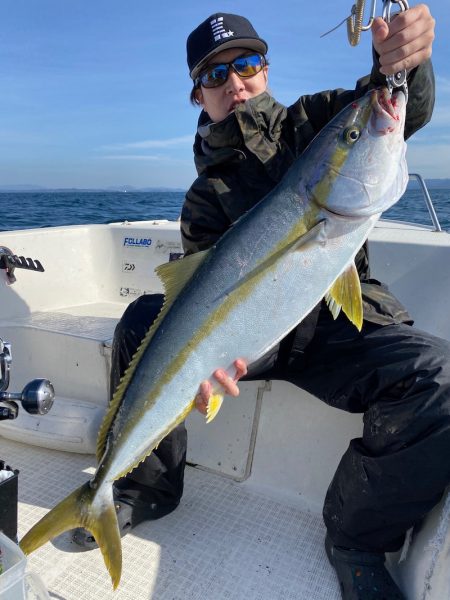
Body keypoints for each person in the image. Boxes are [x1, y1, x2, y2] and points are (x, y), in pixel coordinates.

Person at [73, 7, 448, 600]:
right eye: (215, 76)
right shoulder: (205, 197)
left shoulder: (318, 122)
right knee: (145, 320)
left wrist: (405, 62)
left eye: (246, 65)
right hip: (256, 338)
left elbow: (395, 108)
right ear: (198, 95)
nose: (235, 82)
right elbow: (202, 300)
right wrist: (207, 362)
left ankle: (355, 539)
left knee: (442, 376)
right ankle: (140, 488)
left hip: (336, 326)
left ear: (266, 70)